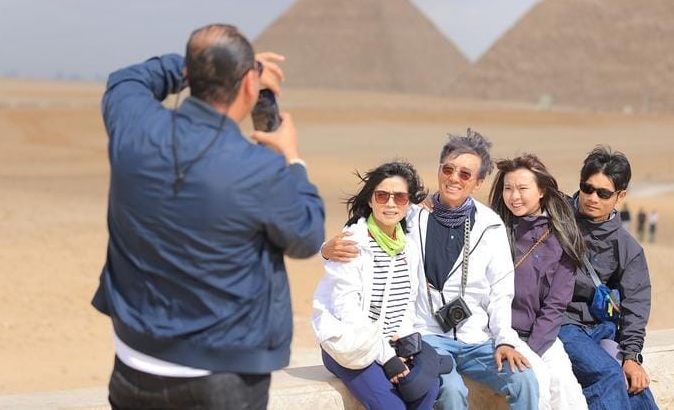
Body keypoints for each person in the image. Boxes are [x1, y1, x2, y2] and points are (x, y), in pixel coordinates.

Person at [91, 24, 326, 409]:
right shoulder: (259, 169)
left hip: (134, 366)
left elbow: (127, 79)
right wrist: (292, 159)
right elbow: (307, 234)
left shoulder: (131, 127)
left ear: (190, 74)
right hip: (222, 378)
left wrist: (200, 65)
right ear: (250, 85)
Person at [323, 130, 539, 410]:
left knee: (525, 381)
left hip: (477, 340)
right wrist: (325, 249)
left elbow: (500, 292)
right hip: (427, 337)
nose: (453, 178)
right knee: (450, 392)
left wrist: (504, 341)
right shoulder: (411, 215)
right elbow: (363, 230)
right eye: (448, 169)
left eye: (465, 174)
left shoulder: (491, 226)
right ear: (439, 170)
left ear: (478, 182)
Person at [313, 161, 445, 410]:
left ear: (408, 203)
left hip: (391, 344)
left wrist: (403, 343)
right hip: (350, 346)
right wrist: (387, 357)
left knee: (426, 389)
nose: (391, 203)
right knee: (392, 406)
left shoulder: (408, 248)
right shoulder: (352, 244)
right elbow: (348, 312)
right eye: (382, 195)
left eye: (400, 197)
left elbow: (407, 303)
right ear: (371, 200)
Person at [558, 146, 658, 410]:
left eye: (603, 193)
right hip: (560, 324)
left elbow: (636, 304)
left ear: (620, 195)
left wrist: (631, 356)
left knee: (637, 389)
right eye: (587, 188)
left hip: (601, 328)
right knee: (606, 374)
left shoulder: (627, 246)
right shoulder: (557, 219)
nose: (592, 198)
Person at [489, 155, 588, 410]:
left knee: (568, 391)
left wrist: (533, 348)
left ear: (541, 190)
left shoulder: (562, 237)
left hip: (542, 335)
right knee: (539, 384)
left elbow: (556, 304)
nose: (514, 196)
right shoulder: (493, 229)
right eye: (508, 188)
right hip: (503, 332)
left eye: (523, 188)